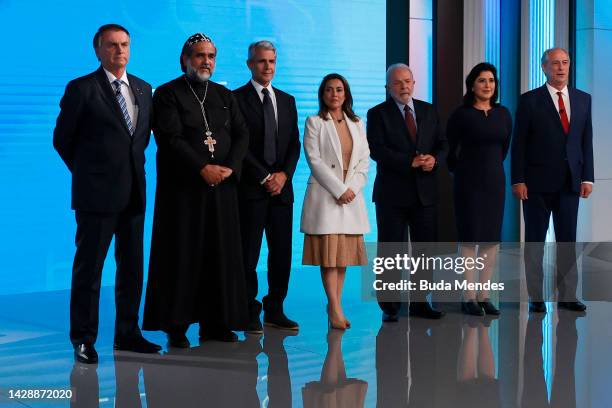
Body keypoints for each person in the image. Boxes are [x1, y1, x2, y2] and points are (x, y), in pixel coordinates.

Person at [53, 23, 160, 364]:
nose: (120, 51)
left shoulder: (144, 89)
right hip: (96, 196)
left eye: (124, 44)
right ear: (98, 50)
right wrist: (89, 174)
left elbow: (139, 141)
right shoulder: (81, 88)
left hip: (134, 194)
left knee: (131, 269)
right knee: (90, 270)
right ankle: (83, 338)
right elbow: (62, 140)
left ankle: (127, 334)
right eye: (112, 45)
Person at [142, 33, 250, 345]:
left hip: (223, 189)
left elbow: (242, 134)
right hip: (184, 192)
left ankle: (218, 322)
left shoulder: (225, 96)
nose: (206, 61)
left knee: (221, 255)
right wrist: (202, 168)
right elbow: (170, 137)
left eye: (211, 56)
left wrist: (229, 167)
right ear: (185, 60)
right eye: (200, 55)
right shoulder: (166, 94)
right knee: (183, 255)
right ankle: (176, 327)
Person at [511, 47, 593, 313]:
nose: (561, 67)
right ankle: (536, 296)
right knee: (535, 241)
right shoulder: (529, 100)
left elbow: (585, 141)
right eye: (555, 63)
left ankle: (568, 295)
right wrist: (518, 179)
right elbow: (519, 144)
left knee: (567, 240)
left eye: (565, 62)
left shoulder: (583, 99)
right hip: (535, 183)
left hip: (571, 181)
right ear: (543, 68)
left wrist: (588, 177)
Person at [367, 63, 448, 322]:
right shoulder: (377, 113)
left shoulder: (428, 110)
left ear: (414, 83)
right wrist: (408, 162)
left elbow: (443, 144)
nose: (403, 86)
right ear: (388, 88)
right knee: (391, 250)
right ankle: (389, 305)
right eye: (397, 82)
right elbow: (376, 150)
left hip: (425, 193)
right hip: (392, 194)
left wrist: (434, 159)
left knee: (425, 250)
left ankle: (420, 302)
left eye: (407, 81)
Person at [234, 41, 301, 334]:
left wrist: (284, 176)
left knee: (282, 253)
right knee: (248, 253)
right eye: (261, 62)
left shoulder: (287, 100)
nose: (267, 67)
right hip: (251, 190)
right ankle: (249, 310)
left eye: (272, 61)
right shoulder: (235, 98)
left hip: (281, 192)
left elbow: (294, 144)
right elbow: (239, 146)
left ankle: (276, 309)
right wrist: (265, 177)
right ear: (250, 64)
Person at [301, 73, 370, 330]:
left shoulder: (357, 122)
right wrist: (339, 190)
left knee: (342, 258)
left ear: (346, 93)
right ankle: (335, 308)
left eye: (339, 90)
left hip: (350, 198)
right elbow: (314, 160)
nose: (334, 94)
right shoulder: (314, 122)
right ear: (322, 94)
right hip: (327, 196)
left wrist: (352, 189)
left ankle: (334, 305)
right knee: (329, 257)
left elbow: (364, 160)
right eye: (329, 90)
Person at [447, 63, 512, 316]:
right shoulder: (461, 115)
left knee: (490, 239)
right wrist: (463, 171)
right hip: (468, 182)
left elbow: (504, 147)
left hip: (495, 182)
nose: (488, 85)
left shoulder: (503, 113)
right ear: (472, 85)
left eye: (491, 81)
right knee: (469, 236)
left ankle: (484, 295)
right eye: (482, 80)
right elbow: (450, 151)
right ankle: (468, 296)